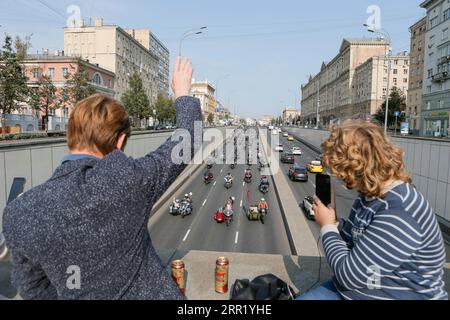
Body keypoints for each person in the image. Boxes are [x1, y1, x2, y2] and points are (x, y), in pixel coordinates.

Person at [3, 57, 201, 300]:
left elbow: (34, 289)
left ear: (71, 135)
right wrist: (182, 92)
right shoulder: (127, 180)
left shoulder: (19, 212)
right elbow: (188, 142)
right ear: (119, 141)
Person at [297, 120, 448, 300]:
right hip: (355, 291)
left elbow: (348, 276)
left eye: (342, 171)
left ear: (359, 167)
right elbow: (353, 241)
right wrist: (335, 223)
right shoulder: (368, 196)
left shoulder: (400, 211)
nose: (341, 178)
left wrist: (327, 227)